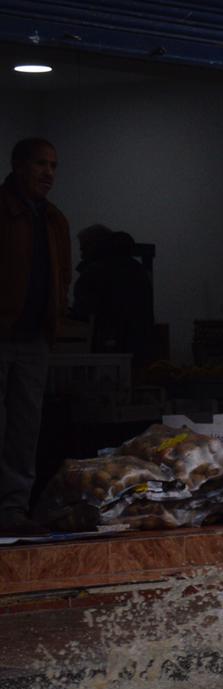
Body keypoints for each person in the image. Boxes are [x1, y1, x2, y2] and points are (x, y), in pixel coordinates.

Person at [0, 138, 70, 533]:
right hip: (4, 333)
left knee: (24, 428)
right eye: (41, 164)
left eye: (54, 165)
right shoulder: (4, 211)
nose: (48, 173)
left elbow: (62, 275)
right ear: (18, 166)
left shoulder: (54, 219)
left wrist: (56, 317)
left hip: (33, 340)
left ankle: (13, 510)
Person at [74, 224, 154, 365]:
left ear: (94, 245)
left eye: (83, 248)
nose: (81, 254)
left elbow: (83, 312)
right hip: (141, 345)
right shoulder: (137, 269)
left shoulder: (94, 272)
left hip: (107, 348)